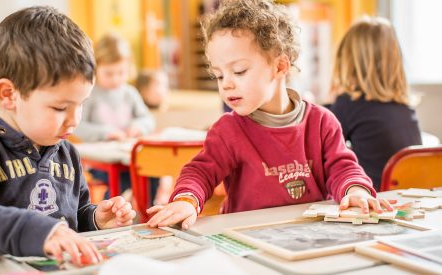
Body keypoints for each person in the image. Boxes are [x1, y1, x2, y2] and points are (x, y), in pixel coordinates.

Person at [146, 0, 393, 230]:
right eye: (219, 75)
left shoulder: (321, 122)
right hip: (248, 238)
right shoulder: (228, 130)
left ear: (279, 67)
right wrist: (187, 200)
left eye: (239, 71)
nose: (227, 84)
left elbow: (343, 167)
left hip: (311, 234)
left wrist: (356, 191)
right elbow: (200, 171)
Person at [0, 6, 135, 266]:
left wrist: (95, 220)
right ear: (9, 95)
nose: (75, 120)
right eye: (59, 107)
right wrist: (39, 231)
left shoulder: (66, 152)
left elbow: (73, 218)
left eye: (81, 105)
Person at [328, 17, 421, 191]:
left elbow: (326, 148)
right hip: (411, 199)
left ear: (347, 60)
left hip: (374, 199)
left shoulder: (349, 104)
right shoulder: (405, 107)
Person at [74, 33, 155, 142]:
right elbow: (77, 127)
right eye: (108, 74)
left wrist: (138, 127)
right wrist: (105, 133)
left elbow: (148, 119)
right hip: (96, 154)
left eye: (121, 73)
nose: (115, 79)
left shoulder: (130, 93)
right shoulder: (88, 94)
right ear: (95, 68)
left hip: (126, 151)